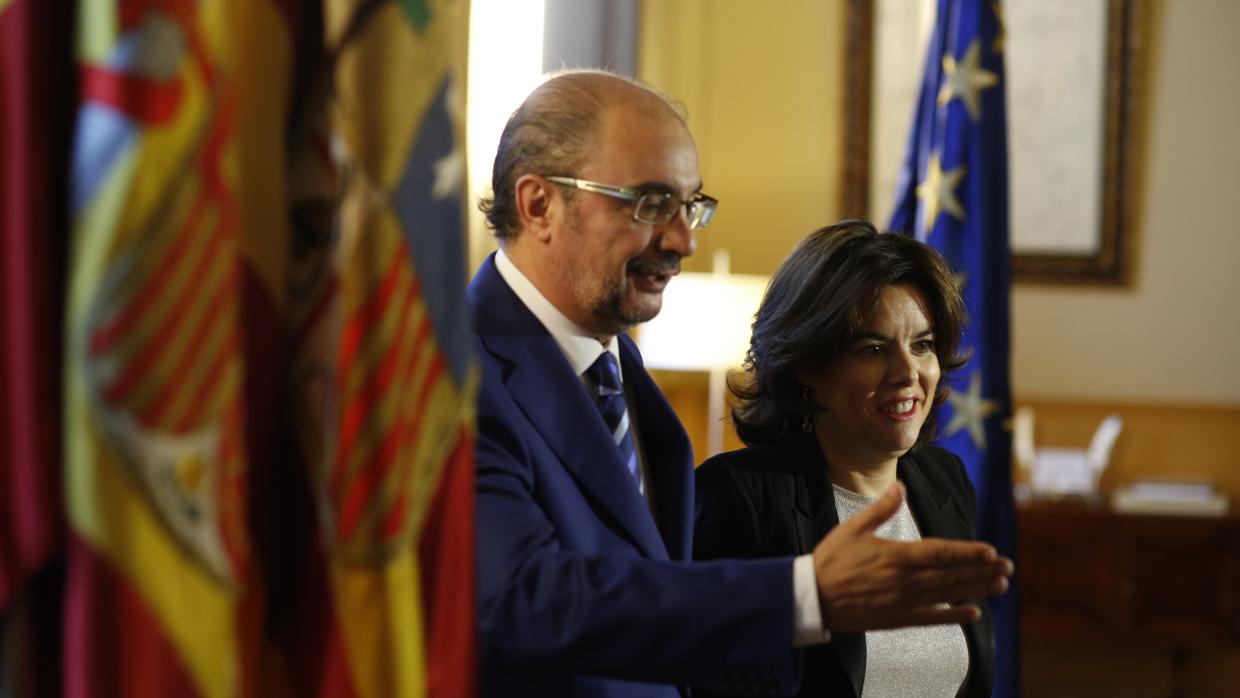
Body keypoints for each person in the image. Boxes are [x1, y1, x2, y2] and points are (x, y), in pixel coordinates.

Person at [469, 71, 1012, 698]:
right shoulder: (454, 378)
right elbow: (522, 600)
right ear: (539, 203)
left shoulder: (619, 374)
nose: (683, 240)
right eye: (650, 204)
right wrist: (806, 595)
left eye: (690, 206)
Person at [694, 220, 997, 697]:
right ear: (807, 365)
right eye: (873, 349)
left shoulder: (946, 480)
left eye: (922, 345)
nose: (907, 372)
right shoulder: (740, 497)